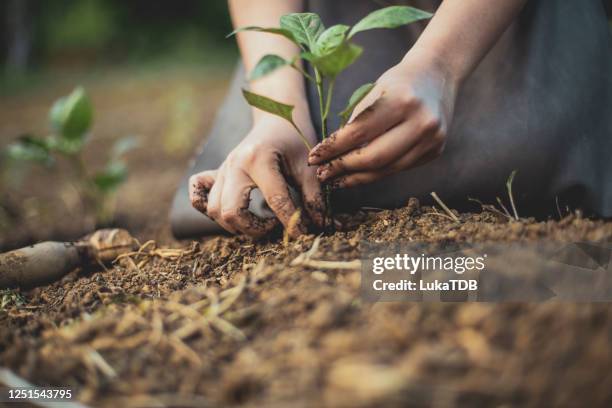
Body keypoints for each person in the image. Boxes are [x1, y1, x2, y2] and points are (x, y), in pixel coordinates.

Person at [170, 0, 612, 239]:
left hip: (491, 20)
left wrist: (440, 64)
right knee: (265, 175)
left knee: (529, 145)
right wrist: (276, 111)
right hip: (318, 29)